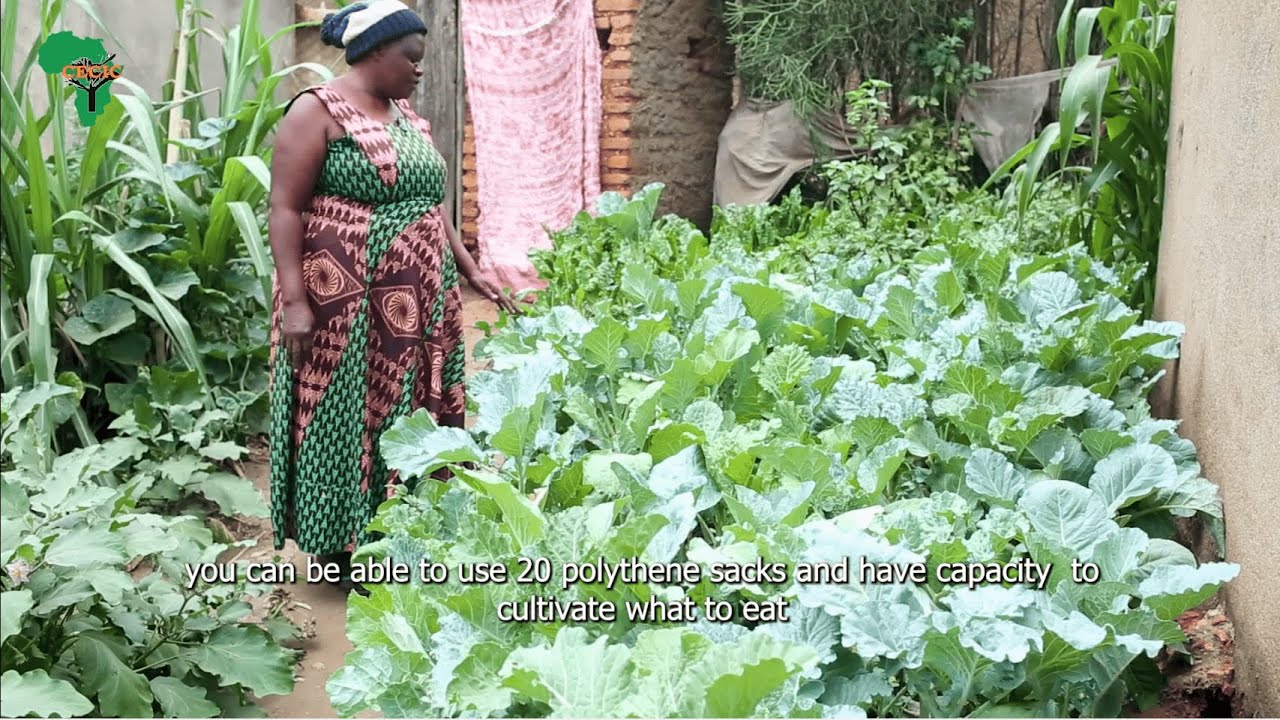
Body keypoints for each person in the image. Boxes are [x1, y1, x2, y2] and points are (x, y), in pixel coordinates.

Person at [265, 0, 518, 593]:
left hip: (418, 301)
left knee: (409, 410)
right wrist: (296, 301)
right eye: (412, 58)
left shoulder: (404, 115)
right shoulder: (316, 110)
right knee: (343, 411)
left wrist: (467, 266)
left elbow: (429, 201)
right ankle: (338, 548)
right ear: (375, 52)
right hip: (343, 299)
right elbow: (284, 207)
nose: (420, 70)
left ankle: (400, 533)